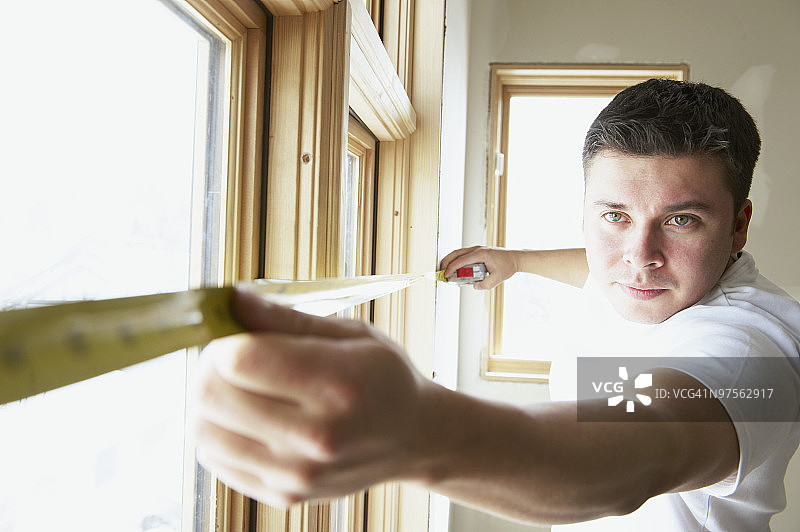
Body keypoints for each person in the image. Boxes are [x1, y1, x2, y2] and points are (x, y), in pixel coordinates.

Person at [189, 79, 800, 530]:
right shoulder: (637, 274)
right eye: (615, 215)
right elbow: (598, 264)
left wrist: (415, 432)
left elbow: (632, 452)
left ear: (740, 227)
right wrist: (514, 261)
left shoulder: (750, 354)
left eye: (683, 220)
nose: (640, 256)